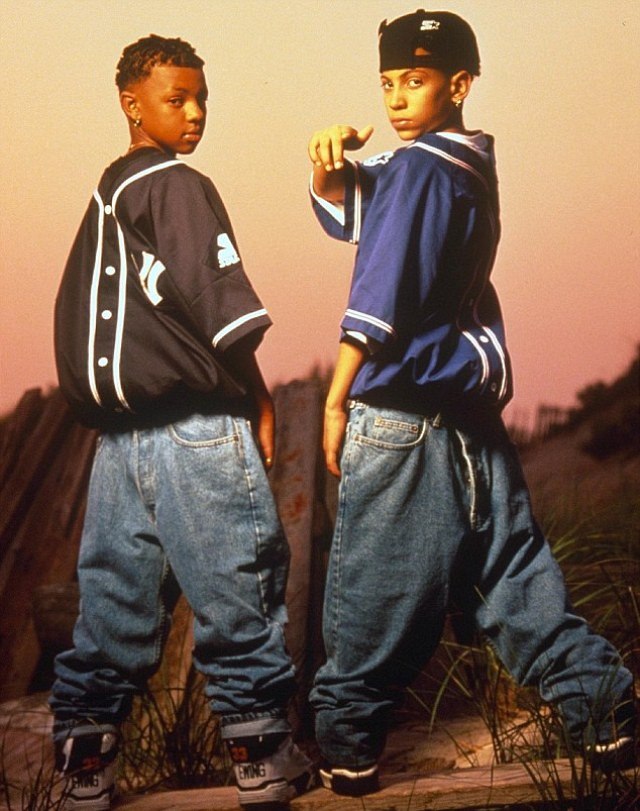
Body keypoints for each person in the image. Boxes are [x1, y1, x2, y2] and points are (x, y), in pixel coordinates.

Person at [306, 9, 636, 797]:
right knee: (511, 573)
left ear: (458, 84)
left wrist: (335, 397)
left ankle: (347, 747)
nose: (396, 97)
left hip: (400, 414)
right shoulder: (464, 161)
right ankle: (606, 711)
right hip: (469, 418)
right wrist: (327, 175)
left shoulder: (418, 168)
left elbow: (380, 288)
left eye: (415, 80)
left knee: (375, 591)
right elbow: (374, 208)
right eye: (387, 81)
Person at [50, 35, 314, 811]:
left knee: (112, 607)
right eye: (177, 99)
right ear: (132, 104)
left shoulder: (108, 197)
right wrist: (258, 398)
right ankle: (262, 756)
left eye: (202, 98)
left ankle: (85, 767)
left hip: (119, 443)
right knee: (238, 588)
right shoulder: (177, 184)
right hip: (197, 426)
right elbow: (221, 309)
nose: (195, 113)